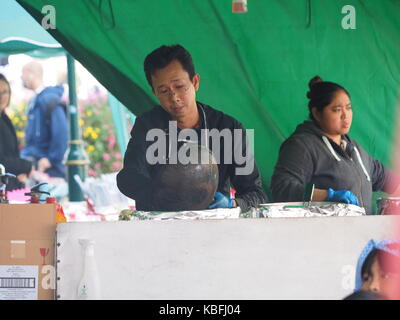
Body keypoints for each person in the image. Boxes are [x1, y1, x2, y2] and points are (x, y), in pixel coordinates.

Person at [117, 44, 267, 212]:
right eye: (164, 90)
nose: (174, 97)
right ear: (154, 92)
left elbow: (256, 193)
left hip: (212, 227)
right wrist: (160, 196)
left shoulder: (229, 129)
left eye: (179, 87)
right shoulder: (147, 126)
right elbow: (128, 177)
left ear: (195, 82)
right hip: (160, 227)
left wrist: (232, 204)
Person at [270, 76, 400, 214]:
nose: (345, 115)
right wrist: (327, 196)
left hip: (360, 233)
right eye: (337, 110)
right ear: (317, 113)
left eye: (348, 108)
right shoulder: (301, 146)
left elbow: (385, 178)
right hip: (321, 233)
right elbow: (281, 189)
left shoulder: (353, 148)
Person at [20, 61, 68, 179]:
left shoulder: (49, 99)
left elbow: (61, 132)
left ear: (31, 74)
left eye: (23, 74)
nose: (21, 78)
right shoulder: (36, 100)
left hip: (50, 171)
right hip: (36, 164)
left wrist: (51, 159)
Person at [152, 142, 219, 211]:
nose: (166, 172)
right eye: (170, 166)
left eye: (175, 167)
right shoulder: (162, 197)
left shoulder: (205, 191)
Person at [0, 74, 33, 191]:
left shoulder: (4, 118)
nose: (2, 96)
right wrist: (25, 166)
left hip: (9, 185)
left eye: (5, 91)